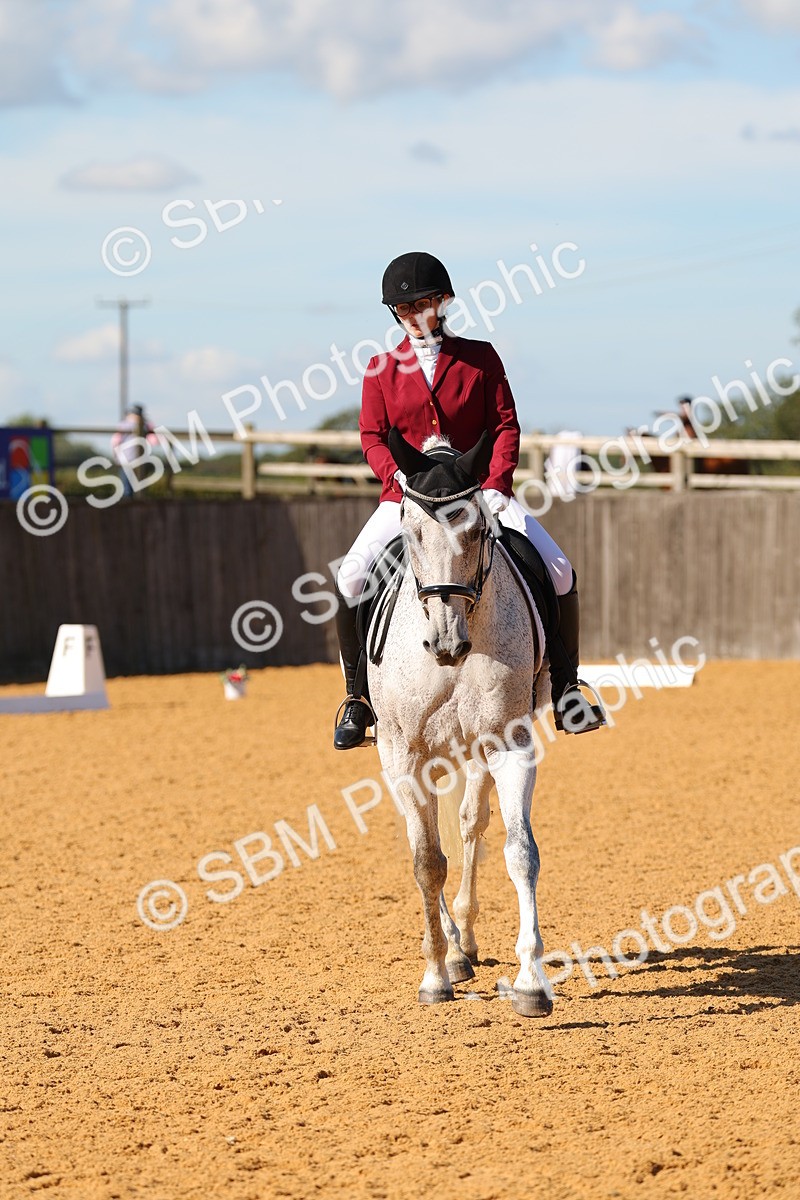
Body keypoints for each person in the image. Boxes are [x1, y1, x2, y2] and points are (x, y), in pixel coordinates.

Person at [332, 251, 605, 749]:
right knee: (351, 576)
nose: (419, 314)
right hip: (408, 498)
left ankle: (567, 686)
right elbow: (372, 435)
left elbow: (504, 424)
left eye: (429, 302)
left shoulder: (480, 358)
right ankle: (358, 699)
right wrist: (397, 476)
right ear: (396, 312)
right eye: (408, 306)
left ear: (445, 303)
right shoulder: (379, 370)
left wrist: (498, 484)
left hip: (478, 494)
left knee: (560, 569)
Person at [111, 404, 159, 498]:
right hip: (134, 461)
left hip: (129, 461)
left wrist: (116, 456)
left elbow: (115, 442)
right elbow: (154, 441)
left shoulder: (124, 425)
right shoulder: (145, 425)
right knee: (133, 489)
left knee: (128, 489)